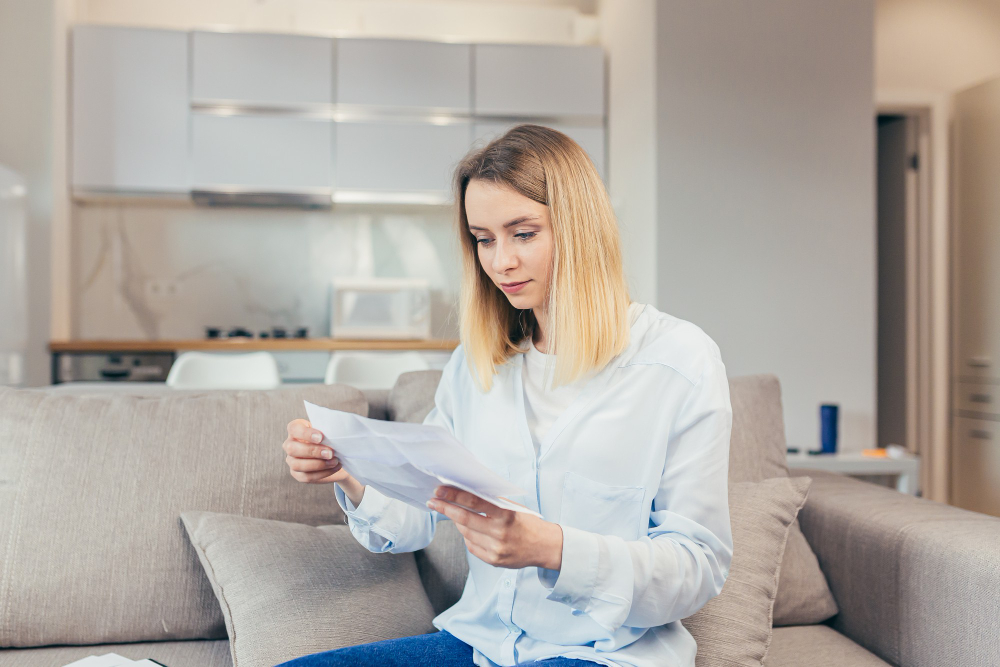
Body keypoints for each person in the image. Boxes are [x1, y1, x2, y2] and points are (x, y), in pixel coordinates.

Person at [278, 124, 734, 667]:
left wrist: (554, 550)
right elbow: (419, 516)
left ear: (578, 227)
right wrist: (347, 472)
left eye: (523, 233)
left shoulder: (678, 361)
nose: (500, 263)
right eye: (484, 238)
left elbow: (699, 565)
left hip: (606, 655)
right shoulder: (479, 366)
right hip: (482, 646)